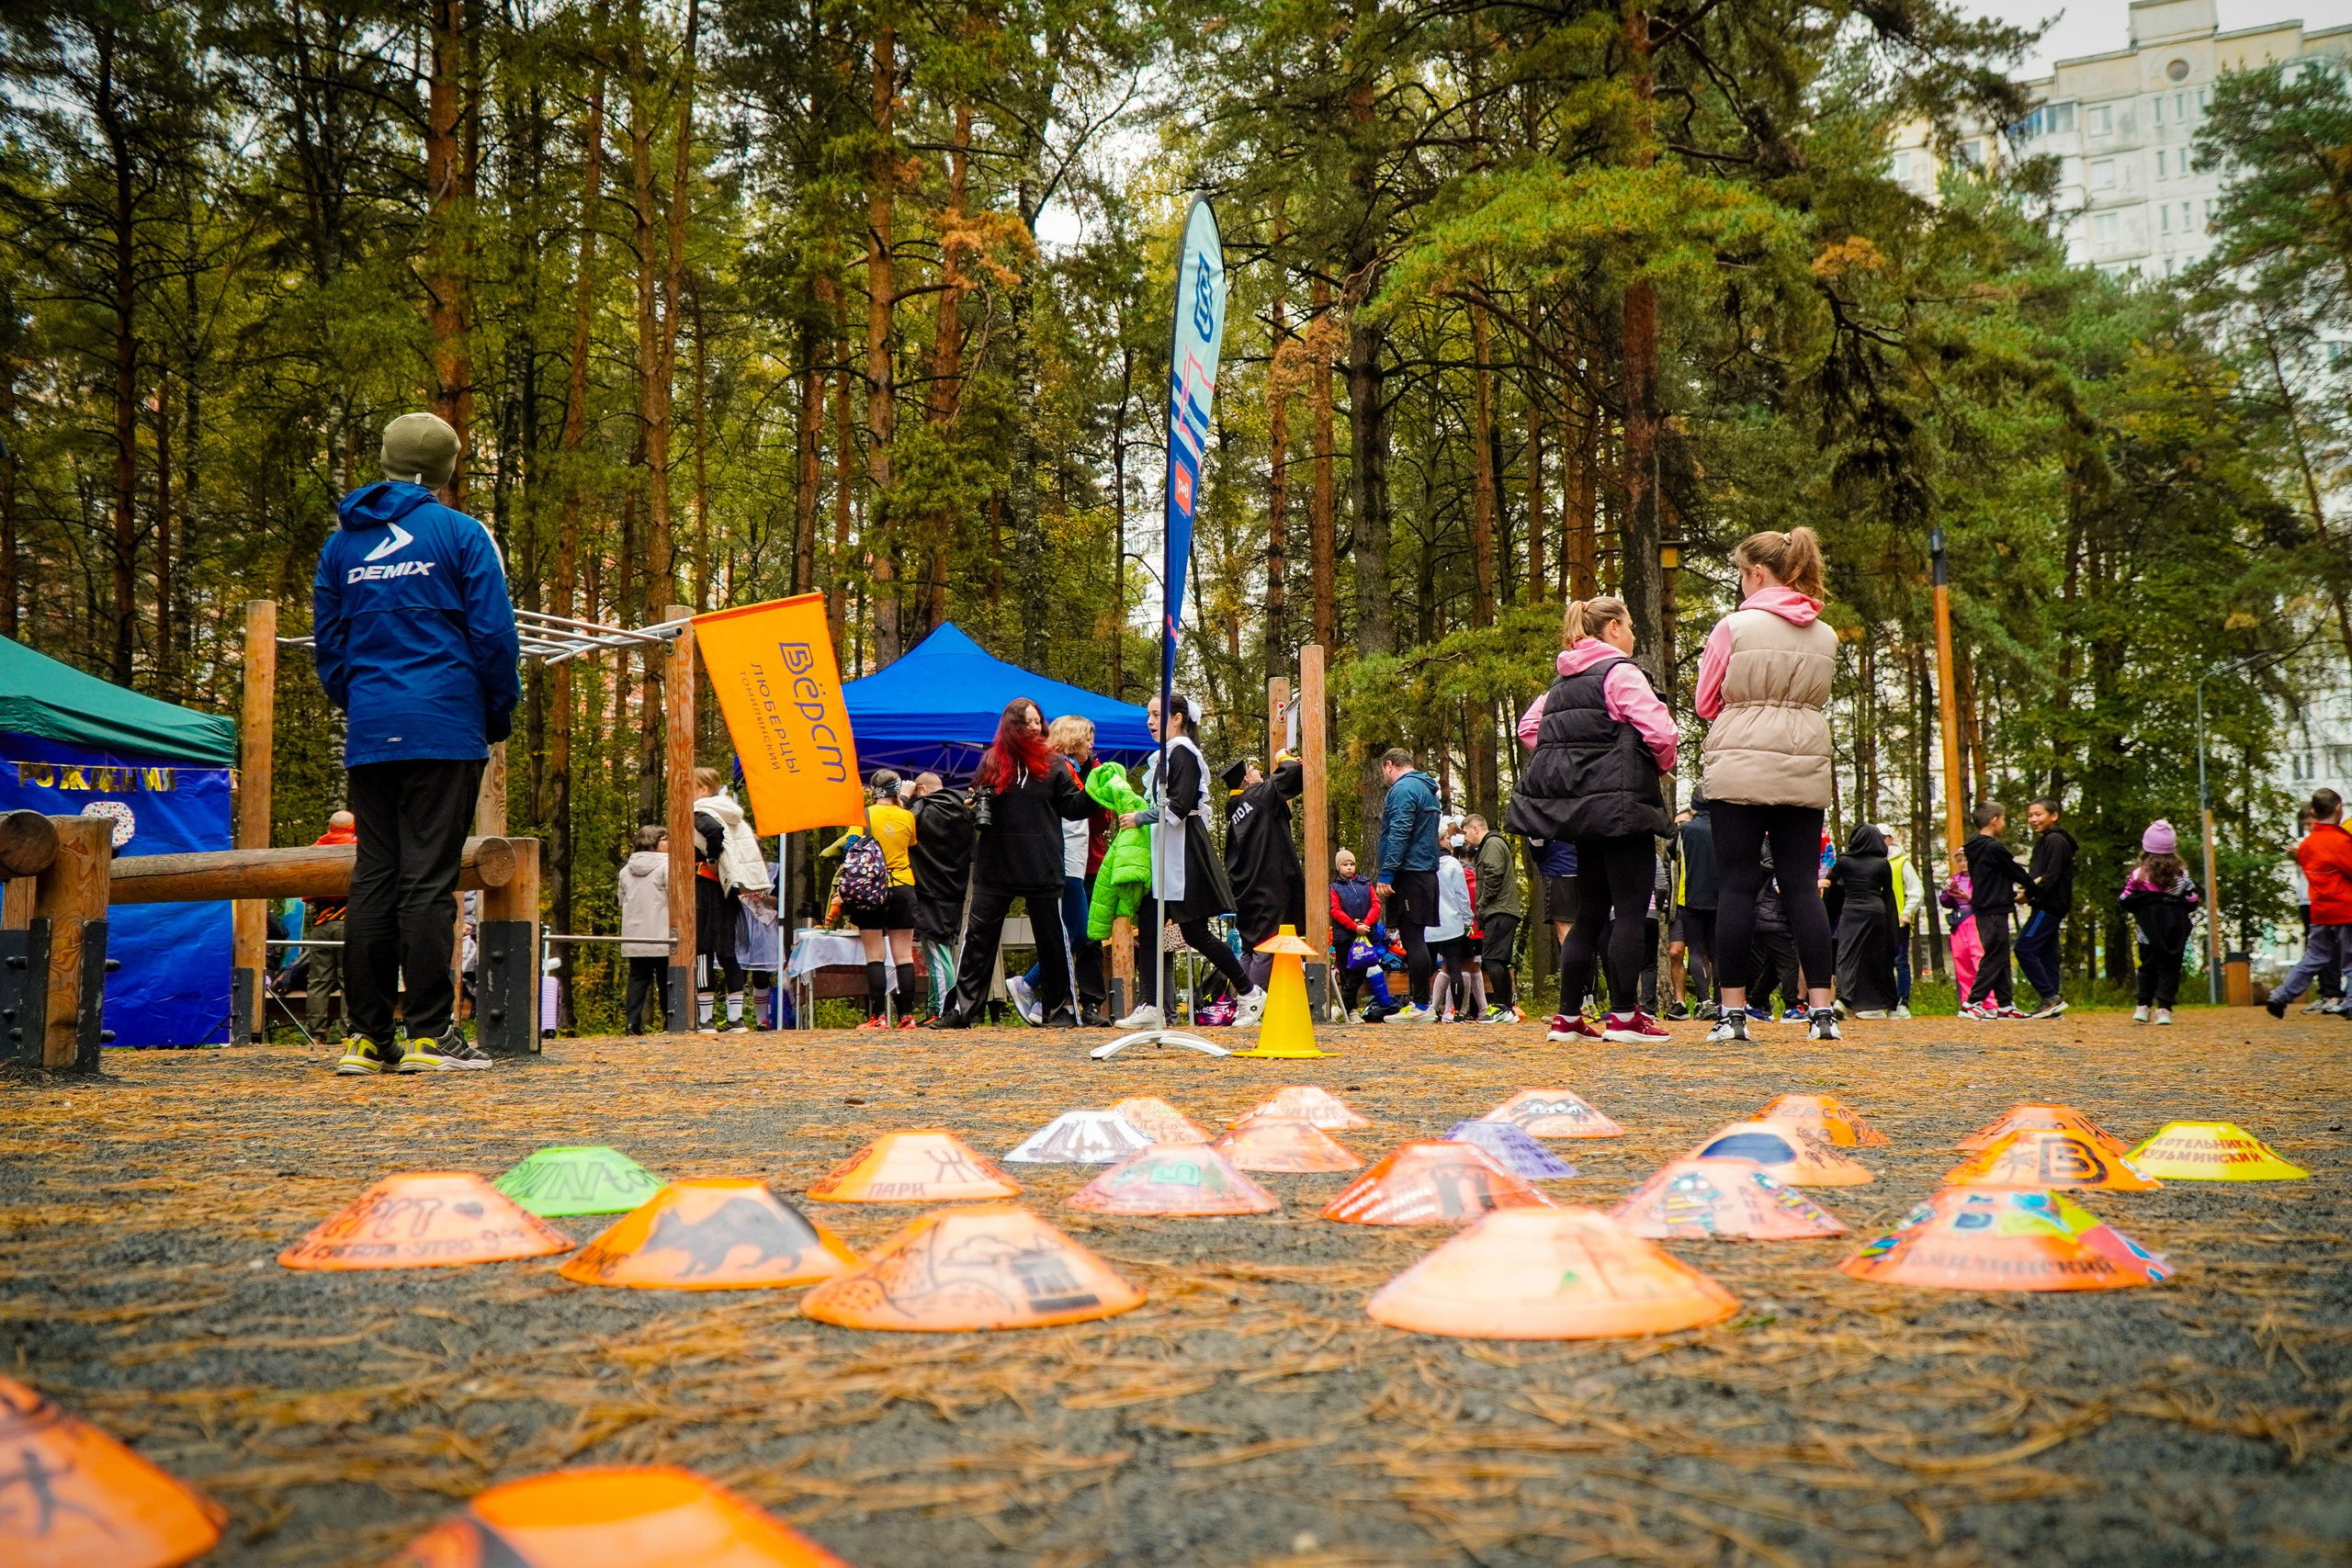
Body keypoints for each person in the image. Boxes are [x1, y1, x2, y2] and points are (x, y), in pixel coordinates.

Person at [315, 411, 518, 1074]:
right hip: (446, 724)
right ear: (445, 470)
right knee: (429, 879)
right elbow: (493, 635)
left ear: (386, 458)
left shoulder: (341, 545)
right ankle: (433, 1034)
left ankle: (367, 1038)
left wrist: (366, 703)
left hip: (374, 730)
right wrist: (495, 712)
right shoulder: (462, 534)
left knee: (373, 874)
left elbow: (331, 646)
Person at [1509, 596, 1678, 1045]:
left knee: (1588, 913)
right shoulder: (1620, 673)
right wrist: (1657, 764)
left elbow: (1529, 730)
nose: (1634, 635)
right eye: (1631, 625)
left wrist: (1575, 759)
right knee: (1630, 909)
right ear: (1615, 629)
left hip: (1580, 812)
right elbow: (1662, 731)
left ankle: (1566, 1019)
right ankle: (1623, 1017)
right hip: (1622, 808)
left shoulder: (1561, 684)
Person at [1693, 526, 1838, 1043]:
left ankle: (1733, 1015)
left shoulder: (1734, 626)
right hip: (1804, 762)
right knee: (1802, 885)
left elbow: (1705, 701)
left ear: (1757, 572)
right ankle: (1822, 1012)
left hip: (1741, 764)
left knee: (1737, 884)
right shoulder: (1825, 633)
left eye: (1739, 573)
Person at [932, 698, 1096, 1029]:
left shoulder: (1054, 764)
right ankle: (963, 1010)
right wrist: (970, 804)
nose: (1035, 727)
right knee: (978, 938)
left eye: (1038, 721)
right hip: (996, 863)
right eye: (1027, 722)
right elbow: (976, 803)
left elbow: (1073, 808)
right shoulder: (992, 761)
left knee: (1052, 941)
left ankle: (1054, 1009)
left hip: (1042, 865)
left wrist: (1096, 787)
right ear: (1012, 726)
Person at [1113, 693, 1264, 1030]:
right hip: (1167, 853)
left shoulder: (1183, 753)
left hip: (1184, 854)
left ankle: (1249, 991)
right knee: (1151, 923)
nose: (1150, 722)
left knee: (1195, 932)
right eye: (1148, 716)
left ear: (1177, 717)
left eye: (1156, 714)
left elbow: (1179, 806)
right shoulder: (1171, 754)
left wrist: (1140, 817)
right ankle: (1153, 1003)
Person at [1008, 718, 1108, 1026]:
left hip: (1075, 863)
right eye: (1087, 739)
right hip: (1065, 863)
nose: (1091, 746)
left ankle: (1043, 996)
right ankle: (1030, 984)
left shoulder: (1072, 769)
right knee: (1074, 932)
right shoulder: (1060, 769)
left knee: (1077, 932)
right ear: (1074, 739)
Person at [836, 769, 919, 1031]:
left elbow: (850, 846)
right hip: (903, 886)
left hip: (870, 888)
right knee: (904, 955)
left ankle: (879, 1017)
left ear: (872, 790)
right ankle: (907, 1016)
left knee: (875, 955)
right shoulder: (907, 817)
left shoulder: (862, 816)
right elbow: (910, 843)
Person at [692, 766, 768, 1032]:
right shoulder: (727, 811)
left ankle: (705, 1019)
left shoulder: (701, 812)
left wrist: (711, 858)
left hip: (705, 887)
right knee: (727, 952)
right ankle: (735, 1018)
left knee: (703, 951)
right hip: (726, 889)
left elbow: (712, 832)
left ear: (702, 789)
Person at [2267, 787, 2352, 1020]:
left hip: (2319, 910)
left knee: (2313, 957)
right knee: (2350, 962)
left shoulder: (2307, 845)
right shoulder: (2341, 841)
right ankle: (2349, 1004)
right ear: (2338, 809)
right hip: (2345, 909)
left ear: (2314, 811)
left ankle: (2281, 995)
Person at [1225, 753, 1307, 989]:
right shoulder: (1258, 796)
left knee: (1250, 948)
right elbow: (1291, 773)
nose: (1258, 772)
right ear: (1246, 780)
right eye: (1253, 770)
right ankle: (1256, 1004)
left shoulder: (1234, 809)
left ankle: (1244, 1000)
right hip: (1268, 886)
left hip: (1245, 889)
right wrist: (1285, 757)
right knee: (1266, 946)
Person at [1372, 748, 1443, 1020]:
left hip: (1410, 872)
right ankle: (1422, 1004)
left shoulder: (1403, 790)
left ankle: (1422, 1006)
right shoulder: (1426, 788)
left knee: (1413, 939)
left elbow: (1399, 832)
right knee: (1417, 938)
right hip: (1424, 872)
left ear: (1389, 765)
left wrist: (1387, 873)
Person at [908, 773, 973, 1019]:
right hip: (955, 889)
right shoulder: (965, 807)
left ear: (922, 789)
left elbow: (898, 828)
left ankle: (946, 1010)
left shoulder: (920, 809)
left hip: (927, 889)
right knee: (941, 949)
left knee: (936, 953)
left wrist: (905, 799)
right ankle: (935, 1008)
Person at [2121, 820, 2200, 1025]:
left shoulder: (2138, 875)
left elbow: (2125, 898)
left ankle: (2143, 1006)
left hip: (2146, 932)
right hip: (2174, 932)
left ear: (2146, 849)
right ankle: (2164, 1009)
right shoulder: (2182, 875)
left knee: (2147, 967)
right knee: (2170, 969)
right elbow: (2192, 900)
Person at [1962, 801, 2032, 1020]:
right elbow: (2014, 871)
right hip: (1993, 907)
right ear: (1994, 820)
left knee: (2000, 953)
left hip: (1987, 905)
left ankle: (2005, 1003)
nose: (2004, 823)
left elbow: (1992, 879)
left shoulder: (1974, 847)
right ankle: (1973, 1002)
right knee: (1994, 953)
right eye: (2003, 819)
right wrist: (2034, 886)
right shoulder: (1993, 847)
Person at [1826, 824, 1899, 1018]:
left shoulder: (1844, 861)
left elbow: (1832, 888)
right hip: (1877, 912)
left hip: (1851, 912)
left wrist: (1827, 914)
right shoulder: (1882, 864)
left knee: (1847, 955)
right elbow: (1888, 893)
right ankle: (1884, 1003)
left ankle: (1842, 999)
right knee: (1876, 958)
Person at [2017, 796, 2077, 1019]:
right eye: (2030, 815)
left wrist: (2028, 894)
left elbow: (2050, 876)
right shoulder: (2046, 840)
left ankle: (2049, 997)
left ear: (2054, 816)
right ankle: (2051, 1004)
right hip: (2046, 903)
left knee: (2024, 948)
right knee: (2047, 953)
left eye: (2038, 814)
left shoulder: (2055, 841)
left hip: (2049, 905)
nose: (2033, 819)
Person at [1463, 815, 1523, 1022]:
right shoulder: (1492, 845)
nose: (1465, 838)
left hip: (1499, 911)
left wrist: (1481, 904)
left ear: (1476, 829)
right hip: (1502, 910)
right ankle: (1506, 1008)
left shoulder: (1492, 844)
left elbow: (1494, 874)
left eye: (1466, 832)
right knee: (1500, 960)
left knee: (1492, 959)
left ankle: (1500, 1006)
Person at [305, 810, 357, 1042]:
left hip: (321, 925)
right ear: (353, 827)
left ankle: (316, 1033)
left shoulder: (315, 850)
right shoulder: (359, 848)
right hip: (348, 922)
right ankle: (349, 1032)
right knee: (350, 977)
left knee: (318, 980)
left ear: (329, 826)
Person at [2287, 806, 2345, 1013]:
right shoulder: (2306, 843)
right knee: (2316, 947)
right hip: (2307, 900)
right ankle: (2327, 992)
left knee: (2331, 948)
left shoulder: (2327, 841)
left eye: (2310, 823)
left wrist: (2301, 855)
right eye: (2304, 825)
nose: (2308, 828)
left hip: (2324, 900)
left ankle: (2333, 993)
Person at [1328, 848, 1395, 1020]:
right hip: (1344, 936)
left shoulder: (1366, 884)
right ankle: (1350, 1009)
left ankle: (1345, 1006)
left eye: (1351, 864)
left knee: (1361, 967)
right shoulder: (1334, 888)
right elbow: (1335, 910)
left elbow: (1376, 904)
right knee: (1346, 972)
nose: (1349, 868)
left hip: (1366, 934)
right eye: (1345, 865)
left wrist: (1366, 923)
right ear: (1338, 867)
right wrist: (1353, 926)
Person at [619, 826, 672, 1033]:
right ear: (653, 842)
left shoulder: (625, 870)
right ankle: (671, 1021)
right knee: (667, 979)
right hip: (663, 932)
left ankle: (632, 1023)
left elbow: (621, 900)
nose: (669, 844)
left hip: (635, 933)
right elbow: (675, 898)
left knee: (638, 979)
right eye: (665, 839)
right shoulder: (668, 867)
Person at [1422, 831, 1475, 1022]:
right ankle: (1456, 1012)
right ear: (1442, 842)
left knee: (1424, 968)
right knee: (1454, 968)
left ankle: (1422, 1006)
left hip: (1427, 924)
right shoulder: (1453, 864)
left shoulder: (1420, 863)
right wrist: (1468, 920)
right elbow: (1462, 895)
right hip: (1452, 923)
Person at [1673, 795, 1717, 1021]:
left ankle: (1704, 999)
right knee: (1717, 951)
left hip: (1691, 897)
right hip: (1721, 897)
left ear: (1693, 807)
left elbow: (1672, 853)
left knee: (1697, 950)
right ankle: (1723, 1001)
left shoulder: (1685, 830)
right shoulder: (1724, 828)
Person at [1881, 824, 1925, 1019]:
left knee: (1900, 962)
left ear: (1890, 839)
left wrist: (1907, 912)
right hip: (1879, 921)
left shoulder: (1901, 862)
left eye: (1883, 837)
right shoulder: (1875, 862)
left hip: (1898, 921)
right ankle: (1882, 1002)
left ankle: (1901, 1003)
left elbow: (1916, 890)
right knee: (1881, 962)